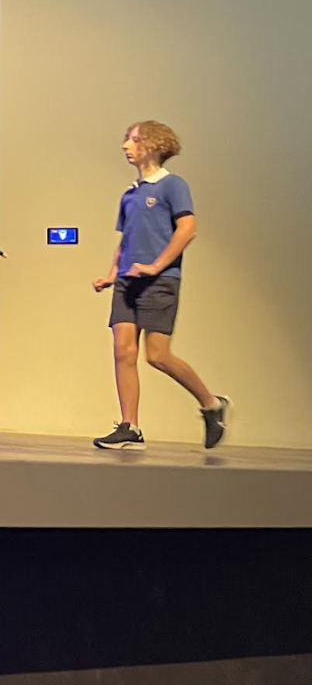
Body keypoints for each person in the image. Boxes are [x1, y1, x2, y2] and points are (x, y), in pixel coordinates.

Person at [90, 121, 229, 451]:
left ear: (153, 145)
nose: (126, 146)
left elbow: (188, 229)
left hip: (160, 281)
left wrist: (155, 266)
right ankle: (130, 427)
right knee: (123, 351)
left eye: (134, 140)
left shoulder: (173, 186)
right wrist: (111, 273)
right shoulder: (130, 194)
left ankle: (211, 404)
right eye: (127, 139)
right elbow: (126, 240)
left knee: (158, 355)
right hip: (127, 282)